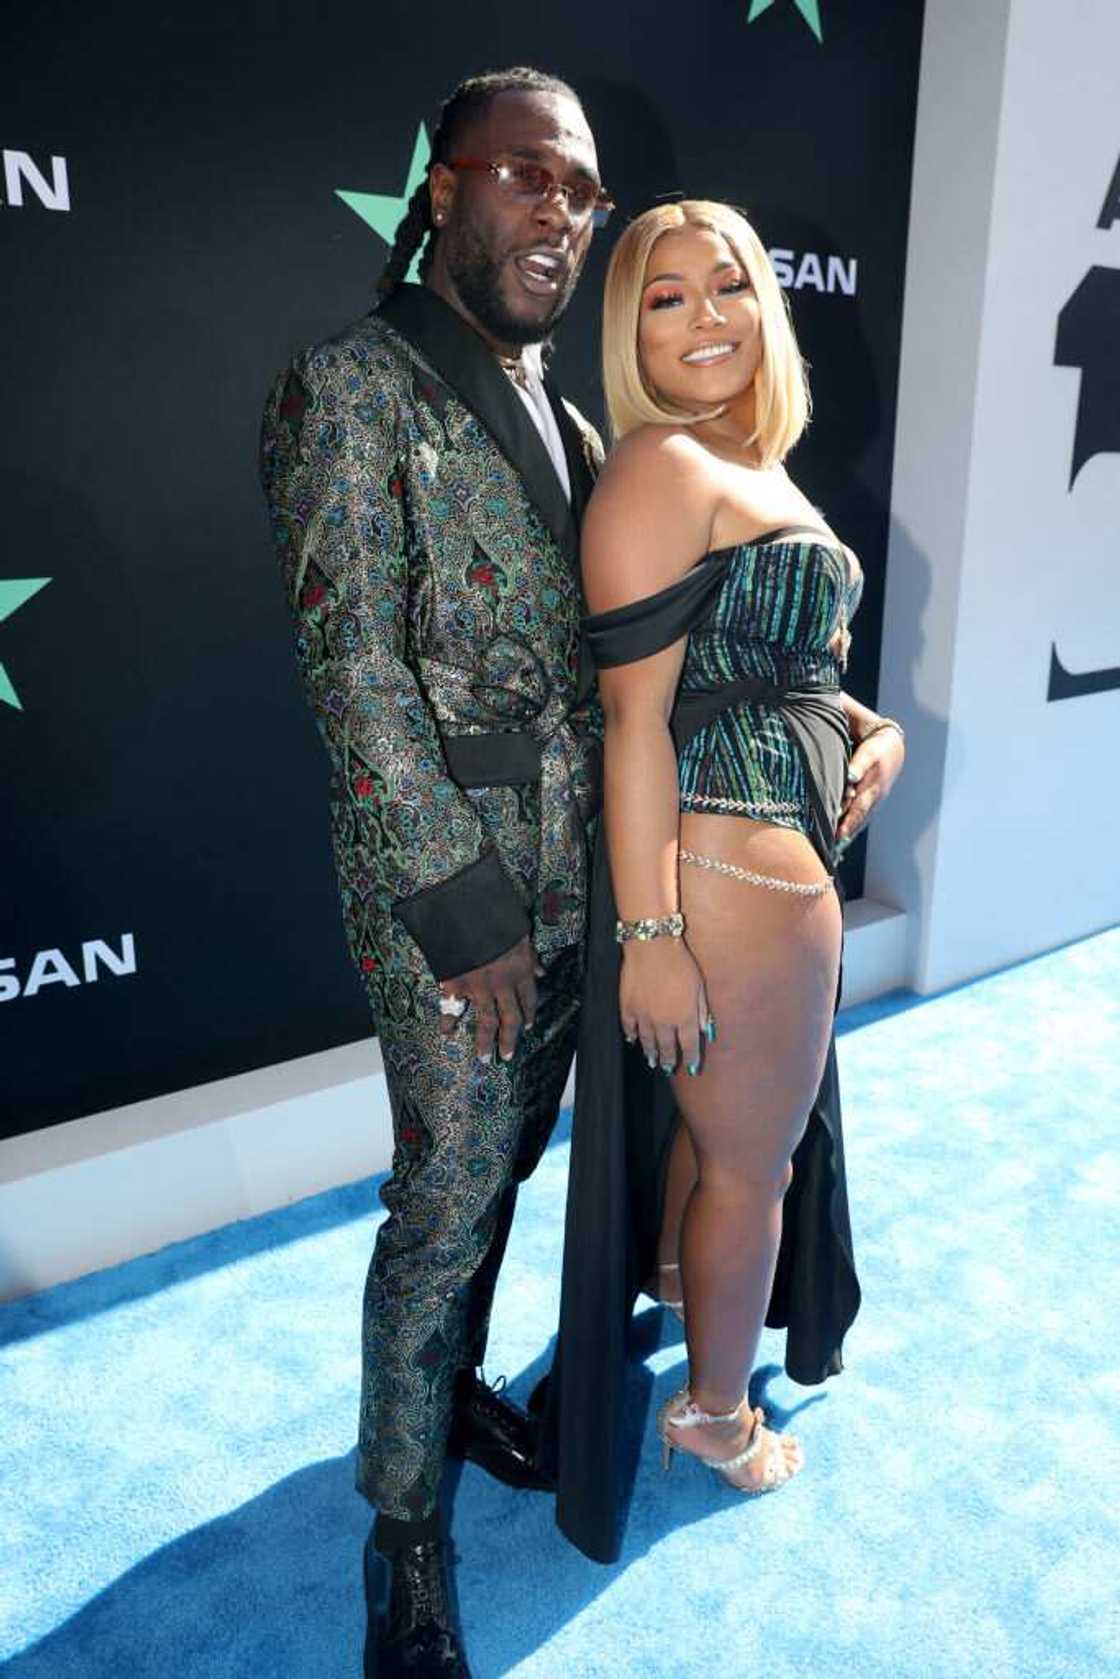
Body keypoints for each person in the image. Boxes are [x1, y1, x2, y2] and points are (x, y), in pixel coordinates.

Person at [259, 68, 614, 1678]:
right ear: (444, 187)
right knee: (443, 1206)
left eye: (583, 192)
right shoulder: (353, 384)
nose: (560, 212)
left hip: (578, 890)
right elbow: (358, 677)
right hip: (453, 902)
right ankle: (404, 1535)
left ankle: (453, 1388)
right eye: (529, 175)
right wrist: (460, 911)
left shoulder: (573, 410)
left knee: (504, 1180)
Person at [542, 199, 905, 1563]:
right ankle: (713, 1417)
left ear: (769, 306)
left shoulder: (745, 464)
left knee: (723, 1147)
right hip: (726, 868)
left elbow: (776, 662)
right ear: (627, 330)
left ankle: (690, 1305)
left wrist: (875, 726)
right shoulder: (662, 468)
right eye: (665, 298)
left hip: (755, 859)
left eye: (729, 287)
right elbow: (633, 717)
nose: (706, 320)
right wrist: (650, 935)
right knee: (757, 1162)